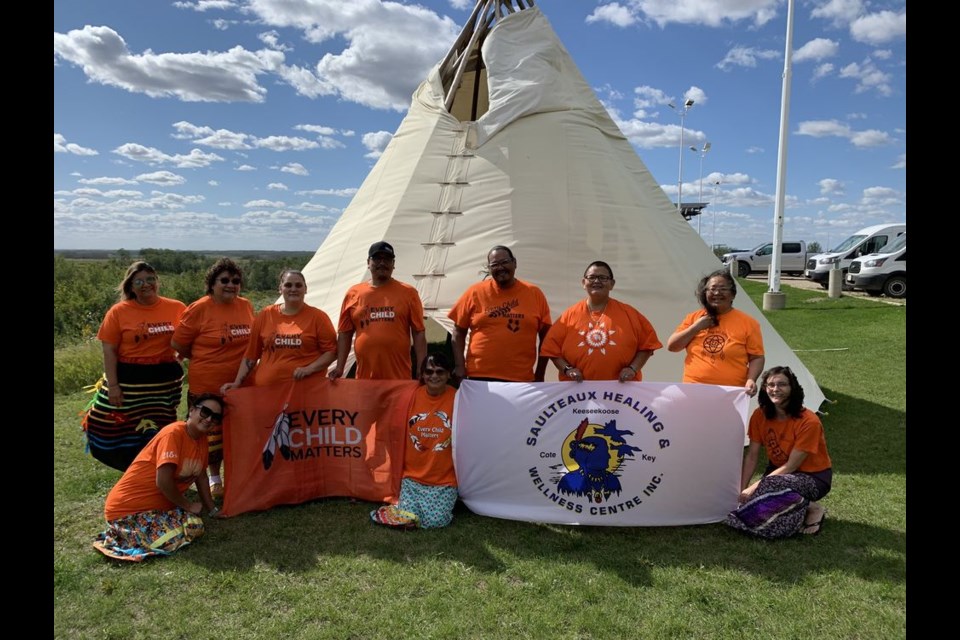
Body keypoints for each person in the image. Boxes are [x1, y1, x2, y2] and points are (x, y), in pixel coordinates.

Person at [92, 394, 224, 561]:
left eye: (216, 417)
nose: (209, 419)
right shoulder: (174, 433)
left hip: (157, 510)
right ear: (191, 410)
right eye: (205, 412)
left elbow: (201, 477)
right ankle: (122, 533)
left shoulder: (202, 440)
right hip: (127, 510)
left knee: (193, 525)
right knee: (191, 526)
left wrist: (212, 509)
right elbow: (163, 481)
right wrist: (188, 505)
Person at [82, 261, 187, 471]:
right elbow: (109, 350)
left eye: (150, 279)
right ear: (130, 286)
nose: (145, 284)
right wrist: (113, 386)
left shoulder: (176, 307)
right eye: (138, 281)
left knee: (160, 427)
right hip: (129, 380)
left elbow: (189, 336)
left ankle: (158, 472)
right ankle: (133, 469)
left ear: (157, 281)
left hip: (164, 381)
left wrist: (183, 353)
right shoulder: (119, 311)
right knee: (108, 423)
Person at [171, 258, 255, 497]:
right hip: (207, 385)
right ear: (212, 283)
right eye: (225, 280)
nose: (231, 285)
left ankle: (238, 476)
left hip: (242, 383)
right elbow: (178, 343)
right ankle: (214, 478)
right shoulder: (199, 308)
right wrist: (199, 356)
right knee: (210, 434)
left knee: (239, 432)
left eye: (236, 281)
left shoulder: (246, 305)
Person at [726, 366, 832, 538]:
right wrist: (741, 490)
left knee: (766, 491)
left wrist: (754, 487)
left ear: (793, 388)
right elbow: (752, 456)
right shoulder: (759, 415)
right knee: (753, 504)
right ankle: (801, 507)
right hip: (777, 474)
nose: (775, 389)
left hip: (813, 477)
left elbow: (791, 466)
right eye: (770, 385)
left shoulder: (809, 421)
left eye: (782, 385)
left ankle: (812, 509)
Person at [370, 353, 458, 529]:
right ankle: (400, 510)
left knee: (435, 521)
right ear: (422, 374)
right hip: (412, 477)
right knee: (409, 518)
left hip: (444, 479)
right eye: (429, 371)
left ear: (449, 374)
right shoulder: (409, 397)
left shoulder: (459, 398)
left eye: (440, 371)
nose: (434, 376)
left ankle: (404, 512)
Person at [541, 261, 662, 382]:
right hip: (577, 393)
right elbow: (551, 349)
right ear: (584, 283)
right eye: (592, 277)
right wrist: (567, 369)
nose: (597, 281)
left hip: (622, 392)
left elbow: (647, 346)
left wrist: (632, 369)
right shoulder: (568, 316)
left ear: (612, 284)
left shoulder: (630, 314)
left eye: (603, 278)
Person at [222, 269, 336, 392]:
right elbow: (251, 355)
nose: (293, 289)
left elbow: (332, 352)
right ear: (280, 288)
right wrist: (237, 383)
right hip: (267, 391)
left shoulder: (318, 317)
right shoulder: (266, 314)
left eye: (298, 285)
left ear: (305, 289)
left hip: (305, 391)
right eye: (288, 285)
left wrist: (309, 369)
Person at [448, 246, 552, 382]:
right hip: (479, 377)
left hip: (521, 379)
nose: (500, 268)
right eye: (495, 265)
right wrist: (459, 365)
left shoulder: (534, 293)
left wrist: (540, 373)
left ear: (515, 263)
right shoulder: (474, 292)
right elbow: (458, 332)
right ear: (489, 269)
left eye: (504, 262)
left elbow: (546, 338)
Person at [328, 241, 427, 381]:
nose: (382, 263)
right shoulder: (353, 293)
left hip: (398, 376)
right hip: (365, 377)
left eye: (387, 259)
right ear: (368, 262)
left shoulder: (408, 293)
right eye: (377, 259)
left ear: (393, 264)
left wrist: (421, 368)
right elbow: (345, 333)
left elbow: (418, 332)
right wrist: (340, 367)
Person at [666, 269, 764, 396]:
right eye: (712, 289)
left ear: (733, 294)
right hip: (693, 390)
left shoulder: (749, 323)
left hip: (731, 392)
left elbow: (757, 357)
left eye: (723, 289)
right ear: (705, 293)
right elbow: (672, 346)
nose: (717, 293)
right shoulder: (694, 318)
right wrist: (696, 327)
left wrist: (751, 379)